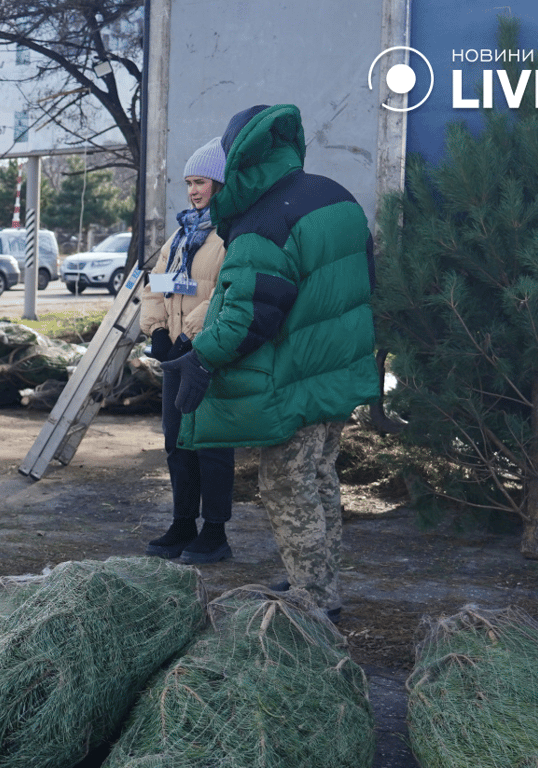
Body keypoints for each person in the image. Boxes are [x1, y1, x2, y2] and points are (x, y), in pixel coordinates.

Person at [159, 104, 378, 622]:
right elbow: (362, 283)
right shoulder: (335, 196)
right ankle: (317, 578)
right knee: (321, 475)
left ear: (237, 160)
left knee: (288, 483)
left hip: (294, 377)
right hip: (336, 369)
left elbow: (246, 315)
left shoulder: (265, 221)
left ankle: (315, 601)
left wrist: (202, 357)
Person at [140, 137, 236, 565]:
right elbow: (156, 285)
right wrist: (158, 331)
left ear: (221, 183)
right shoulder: (180, 235)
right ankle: (183, 524)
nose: (194, 191)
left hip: (207, 353)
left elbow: (224, 293)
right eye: (189, 183)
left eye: (202, 182)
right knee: (177, 442)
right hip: (174, 356)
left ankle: (214, 533)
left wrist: (190, 336)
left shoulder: (231, 234)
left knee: (212, 444)